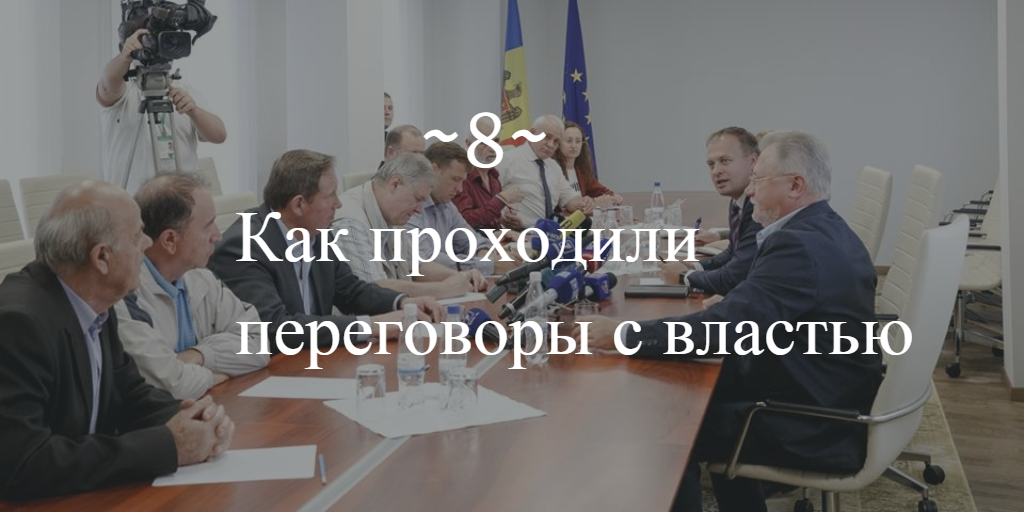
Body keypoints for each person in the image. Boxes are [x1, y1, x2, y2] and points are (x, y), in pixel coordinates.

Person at [576, 132, 881, 512]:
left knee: (668, 431)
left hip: (814, 422)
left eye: (759, 180)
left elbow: (723, 330)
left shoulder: (797, 246)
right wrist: (733, 308)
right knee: (682, 394)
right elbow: (748, 314)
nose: (750, 191)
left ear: (795, 185)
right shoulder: (824, 228)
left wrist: (623, 334)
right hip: (823, 389)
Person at [0, 181, 234, 499]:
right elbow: (23, 464)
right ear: (102, 258)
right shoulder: (18, 325)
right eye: (137, 236)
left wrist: (194, 418)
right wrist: (170, 446)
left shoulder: (95, 301)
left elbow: (128, 394)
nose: (148, 243)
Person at [208, 150, 441, 353]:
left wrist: (402, 303)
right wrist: (373, 326)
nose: (338, 204)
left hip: (312, 357)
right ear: (299, 205)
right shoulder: (244, 246)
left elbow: (350, 290)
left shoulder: (316, 233)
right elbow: (277, 329)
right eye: (330, 196)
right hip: (266, 372)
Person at [115, 173, 268, 399]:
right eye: (208, 226)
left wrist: (199, 355)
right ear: (170, 240)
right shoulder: (125, 294)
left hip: (206, 408)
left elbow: (258, 343)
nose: (217, 236)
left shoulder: (200, 278)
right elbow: (170, 385)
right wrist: (213, 376)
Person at [332, 154, 490, 298]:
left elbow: (416, 265)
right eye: (418, 199)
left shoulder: (392, 213)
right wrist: (444, 289)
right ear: (395, 184)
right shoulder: (350, 223)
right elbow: (372, 290)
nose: (419, 210)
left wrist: (459, 276)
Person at [96, 28, 227, 192]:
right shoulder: (124, 92)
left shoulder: (185, 91)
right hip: (132, 199)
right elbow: (107, 83)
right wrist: (125, 56)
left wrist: (193, 111)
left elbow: (219, 135)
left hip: (180, 199)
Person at [658, 127, 764, 296]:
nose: (716, 171)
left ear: (753, 161)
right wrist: (695, 266)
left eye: (725, 161)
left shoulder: (761, 206)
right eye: (711, 165)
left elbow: (733, 278)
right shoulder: (737, 201)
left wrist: (685, 276)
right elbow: (733, 253)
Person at [408, 142, 521, 274]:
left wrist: (485, 254)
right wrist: (489, 265)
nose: (460, 189)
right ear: (434, 170)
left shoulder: (446, 205)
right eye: (455, 179)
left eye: (462, 181)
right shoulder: (410, 205)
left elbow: (472, 240)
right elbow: (426, 259)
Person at [499, 115, 593, 228]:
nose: (550, 145)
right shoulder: (508, 160)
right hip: (517, 231)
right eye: (547, 137)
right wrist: (501, 217)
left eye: (556, 141)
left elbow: (569, 197)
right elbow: (487, 199)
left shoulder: (553, 167)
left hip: (550, 232)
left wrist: (584, 203)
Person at [452, 116, 526, 231]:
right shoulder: (461, 176)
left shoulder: (494, 176)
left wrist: (503, 221)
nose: (493, 148)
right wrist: (501, 199)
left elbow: (488, 220)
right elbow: (464, 222)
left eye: (496, 141)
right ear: (469, 144)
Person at [554, 120, 623, 208]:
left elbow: (601, 191)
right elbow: (559, 207)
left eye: (578, 141)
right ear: (558, 144)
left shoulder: (582, 171)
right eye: (569, 141)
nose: (574, 146)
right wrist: (594, 202)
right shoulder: (553, 170)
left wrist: (612, 197)